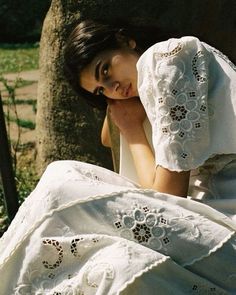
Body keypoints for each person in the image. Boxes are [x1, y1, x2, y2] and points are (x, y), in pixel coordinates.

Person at [0, 19, 236, 294]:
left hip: (224, 223)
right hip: (213, 217)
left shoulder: (167, 58)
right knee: (109, 261)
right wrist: (120, 104)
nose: (114, 88)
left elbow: (167, 195)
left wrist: (132, 129)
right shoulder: (153, 84)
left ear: (126, 40)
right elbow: (109, 135)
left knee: (61, 179)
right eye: (101, 90)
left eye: (106, 70)